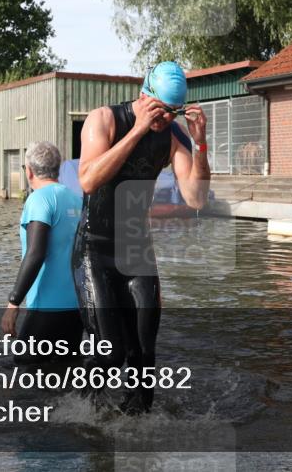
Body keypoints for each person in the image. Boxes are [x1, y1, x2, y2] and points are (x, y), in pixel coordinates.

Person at [74, 61, 209, 414]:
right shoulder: (104, 120)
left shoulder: (174, 136)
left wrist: (201, 145)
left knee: (144, 352)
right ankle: (80, 410)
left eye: (173, 111)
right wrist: (137, 131)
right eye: (161, 110)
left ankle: (138, 427)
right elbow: (87, 180)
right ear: (144, 94)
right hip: (95, 247)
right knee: (112, 350)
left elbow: (196, 198)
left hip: (136, 247)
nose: (165, 118)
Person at [2, 141, 84, 365]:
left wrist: (13, 303)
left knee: (25, 374)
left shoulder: (39, 199)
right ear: (57, 168)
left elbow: (35, 253)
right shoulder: (78, 200)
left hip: (47, 306)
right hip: (78, 307)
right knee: (66, 378)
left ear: (28, 171)